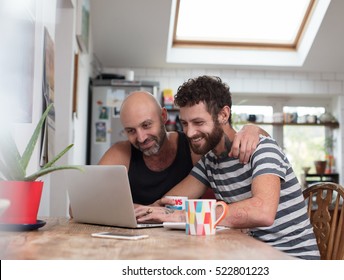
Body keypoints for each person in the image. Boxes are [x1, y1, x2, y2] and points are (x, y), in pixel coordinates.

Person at [136, 76, 320, 260]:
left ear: (223, 115)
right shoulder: (210, 162)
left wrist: (183, 216)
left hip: (293, 261)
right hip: (251, 256)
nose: (190, 133)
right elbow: (170, 202)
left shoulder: (262, 149)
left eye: (198, 122)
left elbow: (262, 211)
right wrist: (138, 211)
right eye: (185, 123)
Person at [98, 90, 269, 205]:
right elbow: (78, 207)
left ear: (163, 116)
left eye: (147, 125)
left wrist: (252, 129)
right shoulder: (121, 153)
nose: (141, 137)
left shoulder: (195, 145)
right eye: (131, 131)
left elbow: (239, 144)